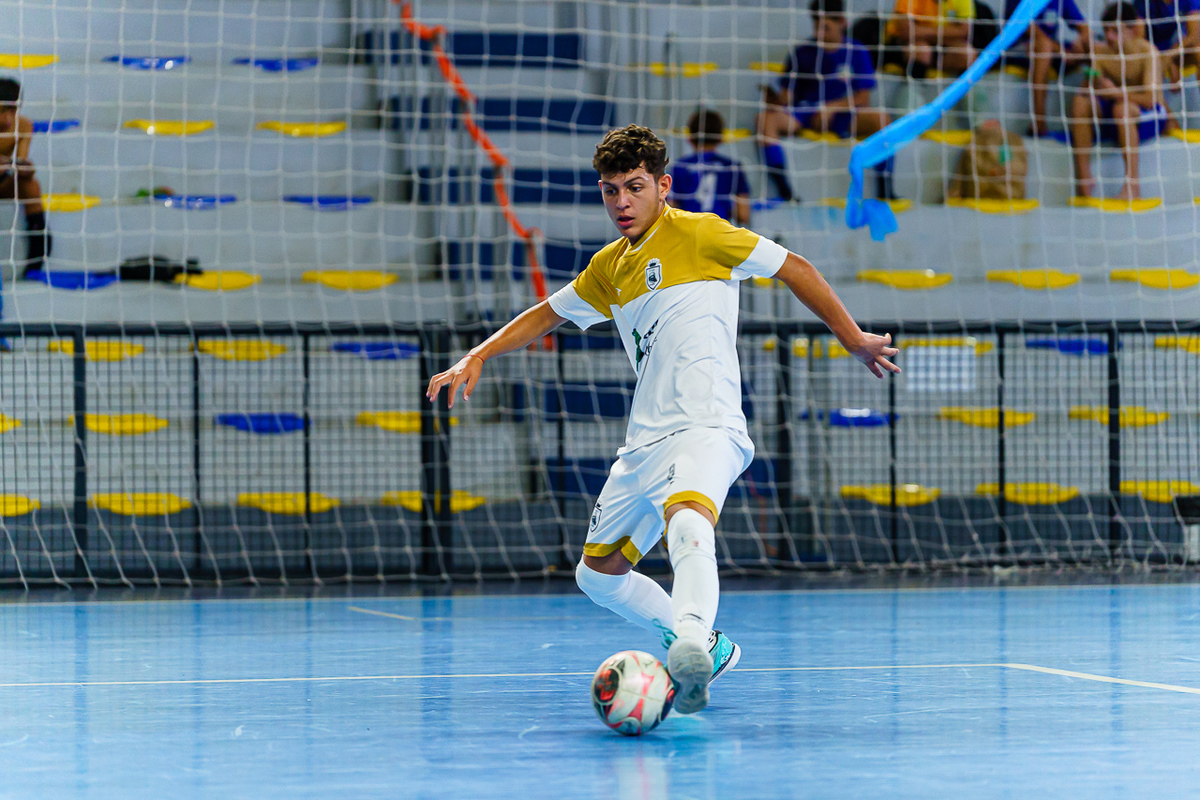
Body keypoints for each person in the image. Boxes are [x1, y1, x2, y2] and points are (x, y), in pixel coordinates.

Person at [426, 125, 899, 714]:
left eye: (634, 187)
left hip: (707, 425)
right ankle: (705, 645)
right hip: (643, 443)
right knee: (597, 575)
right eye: (610, 190)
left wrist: (852, 338)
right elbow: (547, 313)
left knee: (688, 519)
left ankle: (691, 643)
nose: (621, 202)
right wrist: (477, 354)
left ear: (662, 186)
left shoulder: (703, 234)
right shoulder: (609, 267)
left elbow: (794, 267)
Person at [756, 0, 897, 202]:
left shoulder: (856, 51)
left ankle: (886, 190)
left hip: (844, 113)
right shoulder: (802, 52)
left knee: (882, 120)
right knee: (765, 120)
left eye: (826, 28)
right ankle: (784, 191)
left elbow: (863, 97)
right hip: (806, 112)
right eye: (816, 27)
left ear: (842, 22)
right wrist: (776, 100)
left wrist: (831, 107)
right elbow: (788, 95)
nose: (820, 34)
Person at [1069, 2, 1167, 200]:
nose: (1109, 36)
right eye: (1106, 30)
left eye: (1115, 31)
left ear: (1131, 30)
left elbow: (1151, 100)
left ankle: (1132, 187)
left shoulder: (1148, 53)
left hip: (1148, 117)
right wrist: (1093, 83)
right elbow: (1090, 90)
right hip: (1116, 116)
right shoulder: (1101, 53)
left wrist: (1116, 93)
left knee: (1122, 109)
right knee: (1080, 102)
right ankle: (1084, 180)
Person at [1004, 0, 1093, 136]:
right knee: (1044, 47)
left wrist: (1081, 40)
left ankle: (1097, 107)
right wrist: (1061, 51)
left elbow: (1084, 28)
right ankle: (1038, 121)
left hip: (1051, 49)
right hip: (1018, 48)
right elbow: (1029, 30)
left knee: (1091, 46)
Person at [0, 78, 50, 278]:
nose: (7, 118)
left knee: (31, 186)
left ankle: (36, 259)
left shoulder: (23, 125)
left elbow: (21, 163)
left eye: (13, 111)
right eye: (2, 111)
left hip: (3, 181)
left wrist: (25, 168)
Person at [669, 109, 751, 226]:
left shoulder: (679, 167)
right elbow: (743, 214)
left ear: (690, 137)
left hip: (688, 231)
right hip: (719, 231)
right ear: (720, 138)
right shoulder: (732, 167)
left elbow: (670, 209)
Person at [886, 0, 977, 77]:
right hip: (907, 46)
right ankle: (914, 89)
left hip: (943, 47)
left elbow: (964, 31)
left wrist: (923, 31)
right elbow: (906, 31)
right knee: (922, 50)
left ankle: (960, 90)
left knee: (967, 54)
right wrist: (947, 32)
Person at [1133, 0, 1200, 87]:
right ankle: (1152, 92)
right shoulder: (1143, 3)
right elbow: (1139, 40)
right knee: (1153, 64)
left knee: (1198, 49)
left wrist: (1169, 56)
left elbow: (1194, 37)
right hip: (1150, 50)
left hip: (1173, 50)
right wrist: (1167, 61)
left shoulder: (1189, 1)